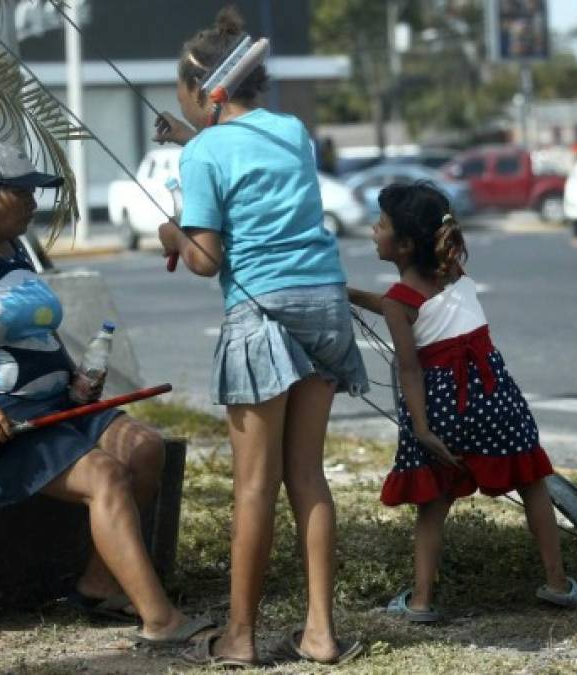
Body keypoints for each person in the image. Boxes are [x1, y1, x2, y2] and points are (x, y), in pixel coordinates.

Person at [0, 141, 213, 646]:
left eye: (34, 191)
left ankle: (99, 585)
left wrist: (74, 380)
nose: (32, 201)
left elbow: (36, 332)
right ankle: (161, 621)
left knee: (146, 450)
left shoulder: (17, 247)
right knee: (105, 475)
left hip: (51, 401)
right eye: (21, 192)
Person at [154, 8, 368, 667]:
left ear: (203, 89)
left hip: (262, 311)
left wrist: (171, 231)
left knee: (253, 484)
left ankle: (240, 637)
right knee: (307, 475)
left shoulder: (204, 153)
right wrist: (192, 140)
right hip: (323, 302)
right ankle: (320, 633)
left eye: (182, 93)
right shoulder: (292, 131)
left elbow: (205, 259)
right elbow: (247, 156)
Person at [347, 182, 577, 622]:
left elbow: (410, 368)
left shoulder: (402, 303)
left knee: (433, 504)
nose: (372, 231)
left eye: (379, 225)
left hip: (441, 404)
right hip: (495, 395)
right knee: (532, 481)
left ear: (403, 245)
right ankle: (557, 584)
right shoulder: (451, 269)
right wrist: (354, 295)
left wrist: (421, 428)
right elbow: (418, 308)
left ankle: (420, 601)